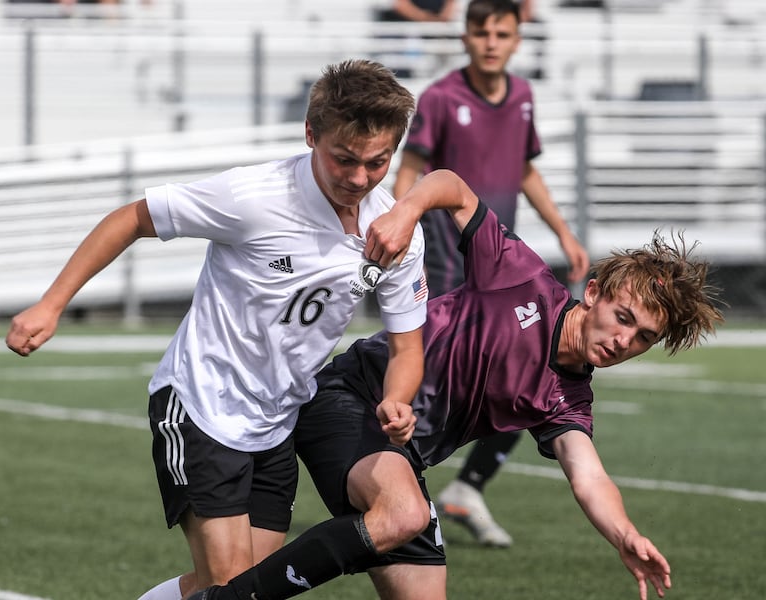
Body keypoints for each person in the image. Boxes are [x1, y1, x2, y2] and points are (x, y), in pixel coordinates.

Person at [188, 168, 724, 600]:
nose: (623, 340)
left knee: (247, 565)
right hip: (351, 397)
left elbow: (589, 476)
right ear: (594, 293)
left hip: (400, 454)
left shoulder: (568, 400)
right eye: (623, 317)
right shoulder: (522, 277)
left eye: (643, 338)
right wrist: (406, 210)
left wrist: (625, 534)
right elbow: (451, 185)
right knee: (403, 514)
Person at [5, 59, 430, 600]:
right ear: (310, 134)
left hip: (277, 420)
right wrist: (51, 304)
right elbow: (133, 218)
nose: (359, 178)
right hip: (202, 402)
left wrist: (398, 397)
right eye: (343, 159)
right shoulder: (253, 196)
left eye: (377, 163)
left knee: (247, 589)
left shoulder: (395, 232)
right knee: (229, 585)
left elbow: (407, 345)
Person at [391, 0, 591, 547]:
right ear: (466, 37)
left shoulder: (523, 98)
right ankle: (404, 482)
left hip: (502, 270)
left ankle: (462, 488)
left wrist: (564, 233)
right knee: (439, 369)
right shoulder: (439, 97)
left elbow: (524, 169)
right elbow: (412, 167)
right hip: (447, 257)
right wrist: (398, 218)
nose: (492, 42)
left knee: (533, 377)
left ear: (518, 38)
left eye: (503, 32)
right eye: (482, 32)